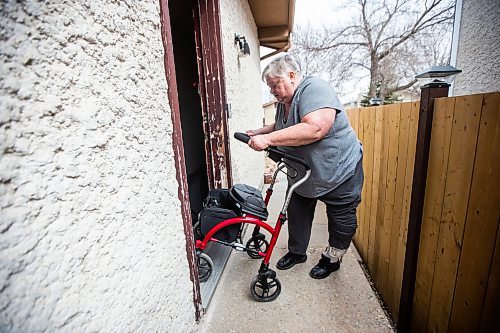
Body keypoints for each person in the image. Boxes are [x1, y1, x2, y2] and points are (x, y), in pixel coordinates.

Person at [245, 55, 363, 279]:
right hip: (303, 172)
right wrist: (262, 132)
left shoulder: (315, 89)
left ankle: (332, 259)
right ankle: (297, 252)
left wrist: (269, 140)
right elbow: (284, 124)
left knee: (341, 219)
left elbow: (315, 128)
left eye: (274, 85)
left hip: (338, 170)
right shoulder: (284, 102)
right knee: (297, 212)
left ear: (291, 76)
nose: (272, 91)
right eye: (269, 87)